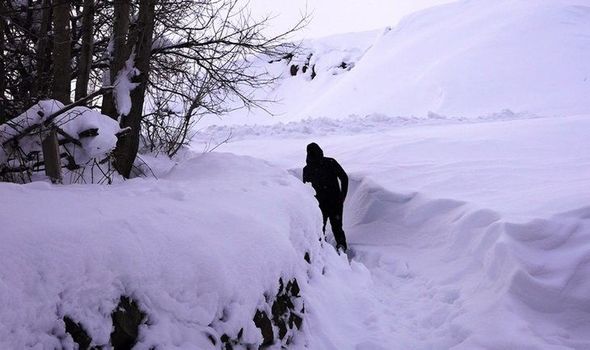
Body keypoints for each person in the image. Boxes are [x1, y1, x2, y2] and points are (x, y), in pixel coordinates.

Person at [302, 142, 349, 252]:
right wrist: (342, 197)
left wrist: (342, 197)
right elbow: (344, 178)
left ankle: (323, 251)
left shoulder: (308, 169)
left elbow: (306, 190)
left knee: (320, 229)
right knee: (335, 228)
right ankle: (339, 249)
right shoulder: (330, 162)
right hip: (332, 203)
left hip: (321, 204)